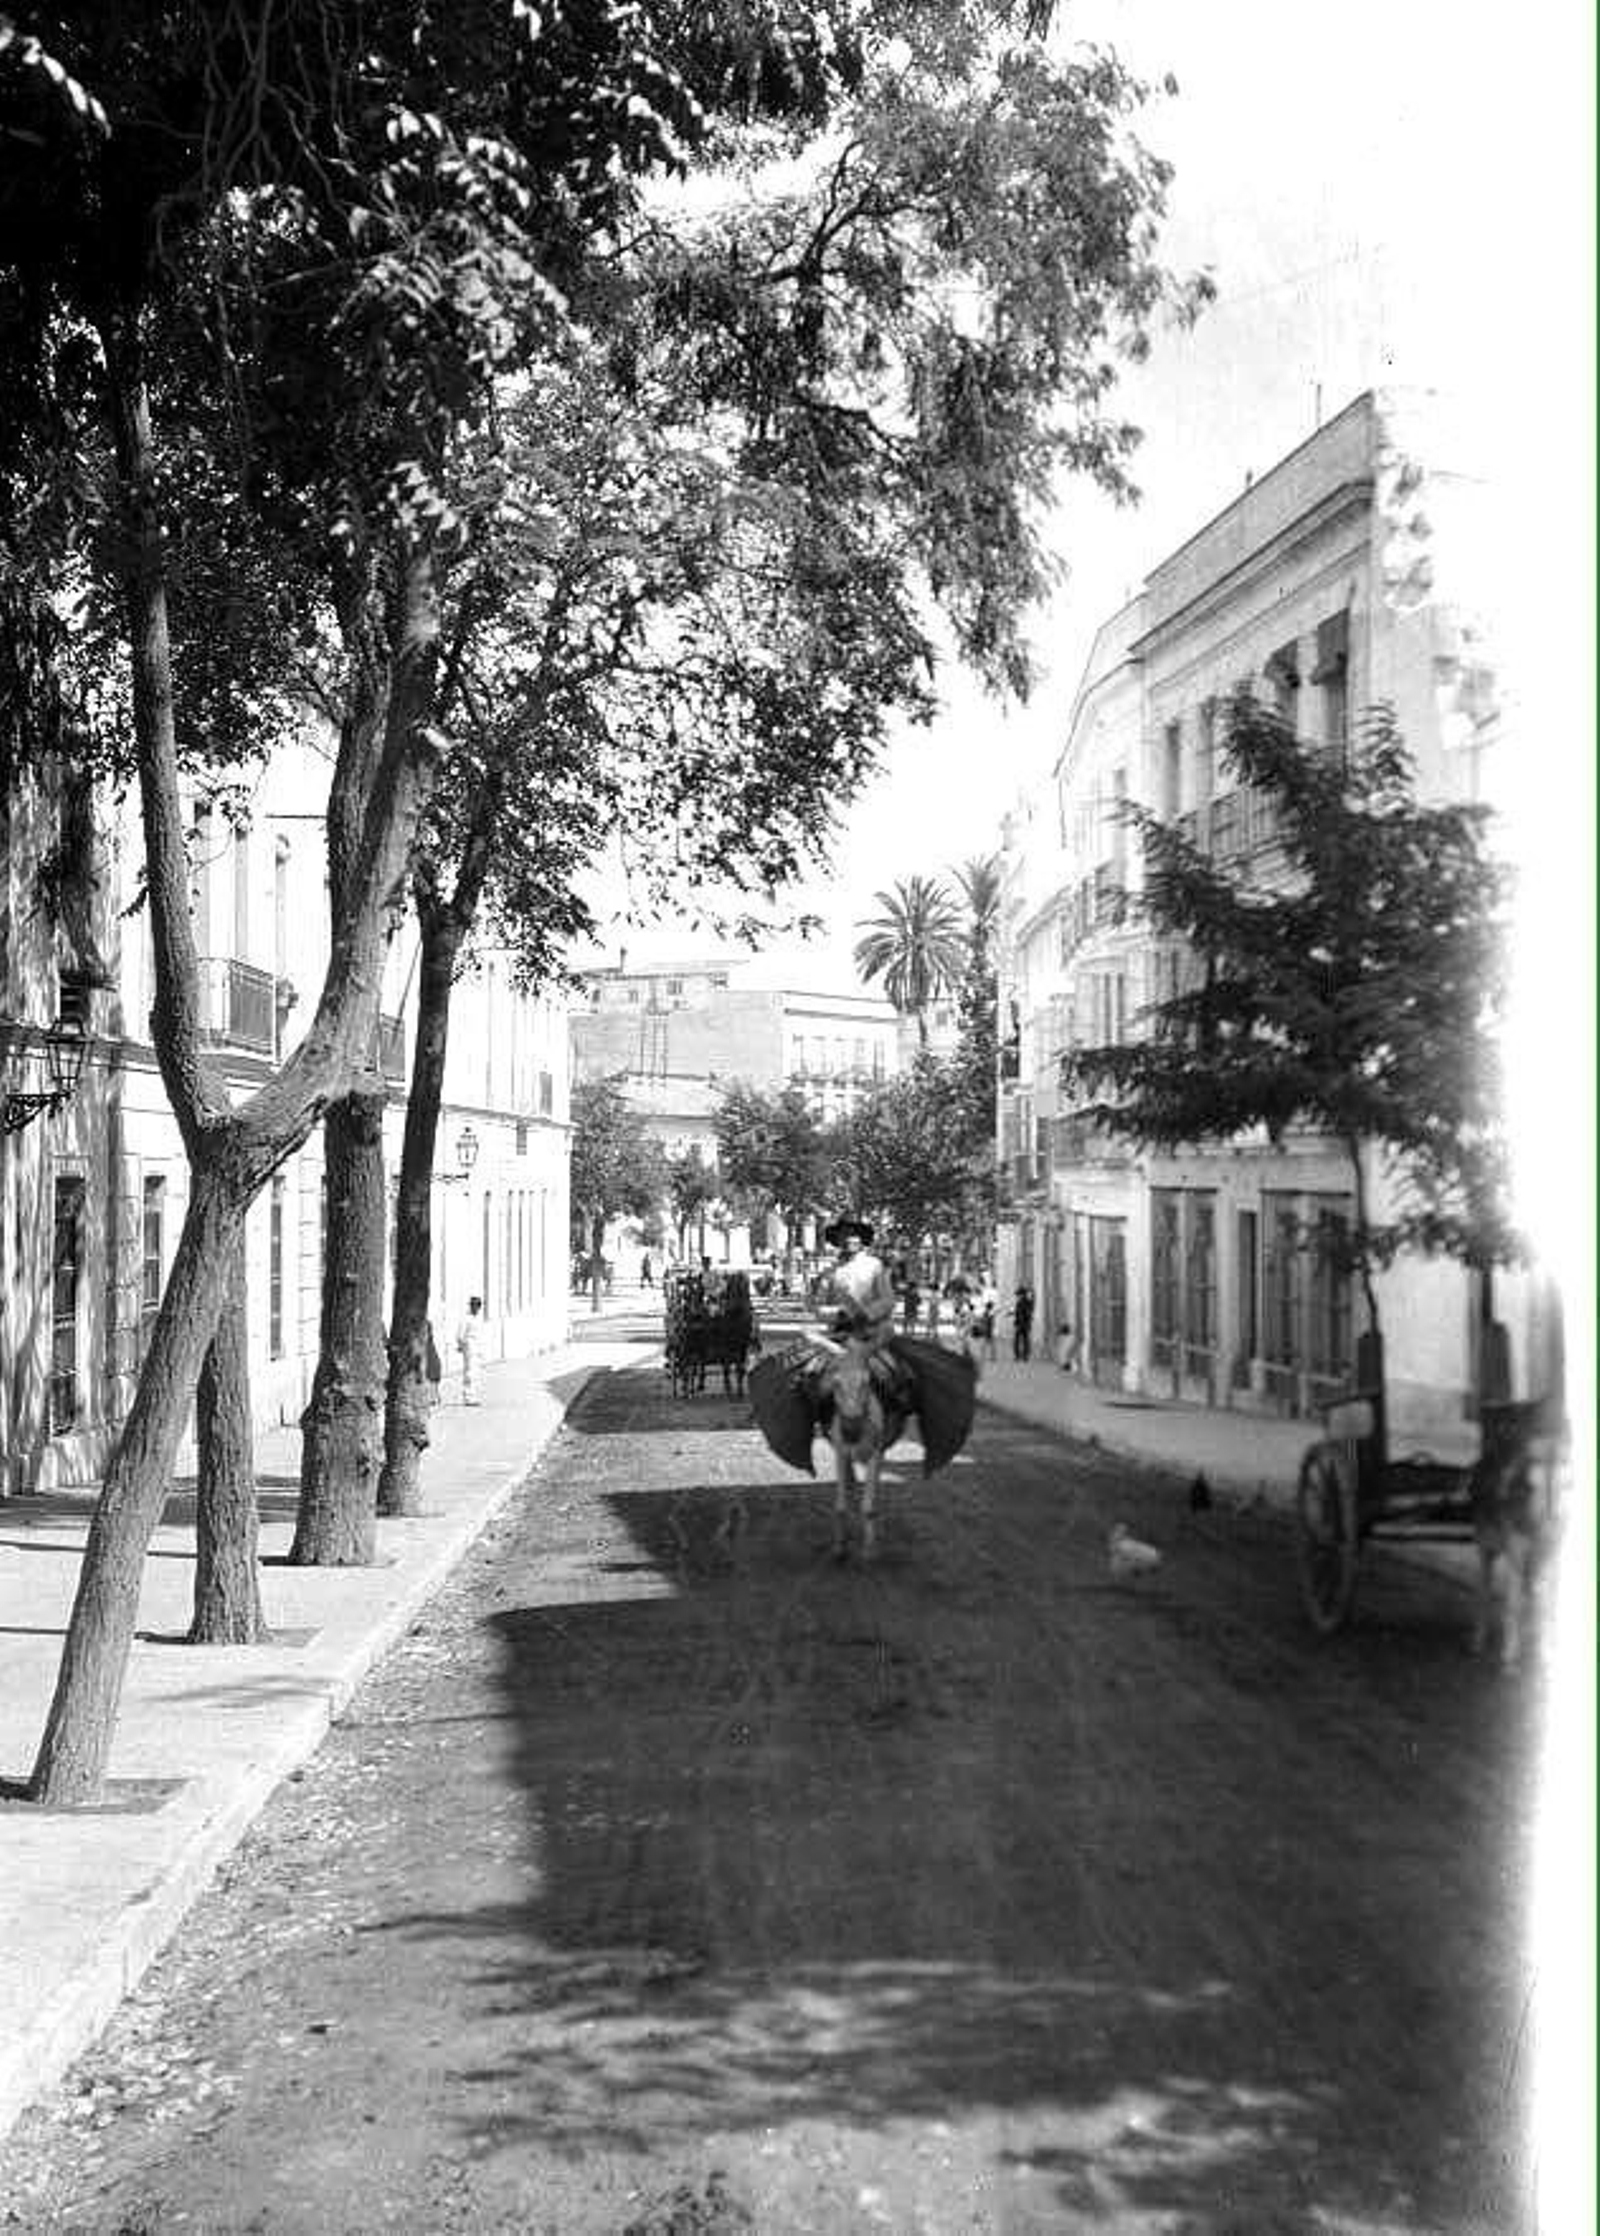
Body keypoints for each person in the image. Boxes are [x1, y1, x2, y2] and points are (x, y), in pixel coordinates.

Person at [456, 1295, 485, 1405]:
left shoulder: (478, 1319)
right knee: (469, 1373)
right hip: (469, 1347)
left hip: (477, 1347)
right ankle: (468, 1397)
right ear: (471, 1306)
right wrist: (461, 1345)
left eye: (478, 1306)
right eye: (474, 1305)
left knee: (476, 1373)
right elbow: (460, 1334)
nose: (476, 1308)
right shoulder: (466, 1318)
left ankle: (473, 1395)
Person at [1012, 1281, 1034, 1362]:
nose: (1017, 1296)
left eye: (1018, 1295)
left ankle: (1022, 1356)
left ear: (1022, 1294)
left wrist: (1020, 1322)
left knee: (1021, 1340)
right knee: (1023, 1340)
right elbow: (1018, 1313)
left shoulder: (1025, 1302)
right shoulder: (1021, 1302)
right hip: (1022, 1324)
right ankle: (1022, 1356)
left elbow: (1026, 1313)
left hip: (1023, 1324)